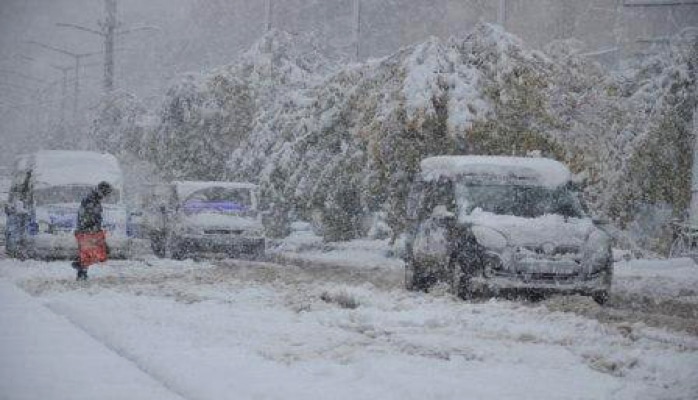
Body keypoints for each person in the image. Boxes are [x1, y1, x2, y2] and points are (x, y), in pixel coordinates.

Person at [72, 181, 113, 280]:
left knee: (91, 253)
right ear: (102, 191)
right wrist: (91, 229)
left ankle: (81, 270)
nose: (105, 196)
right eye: (106, 193)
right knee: (94, 252)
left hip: (89, 231)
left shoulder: (94, 199)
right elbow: (86, 217)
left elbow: (92, 216)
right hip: (88, 232)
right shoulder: (91, 200)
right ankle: (81, 269)